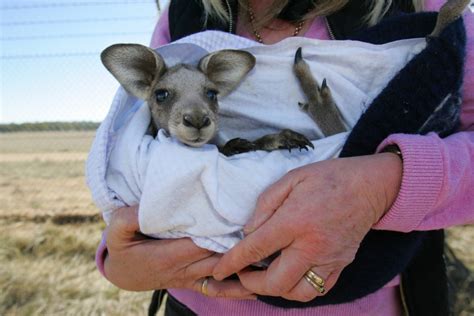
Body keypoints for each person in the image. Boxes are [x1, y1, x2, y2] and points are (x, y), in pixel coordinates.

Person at [96, 0, 474, 315]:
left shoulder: (423, 9)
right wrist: (119, 260)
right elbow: (138, 147)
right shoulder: (188, 14)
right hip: (195, 303)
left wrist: (388, 184)